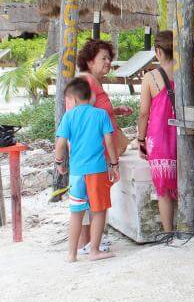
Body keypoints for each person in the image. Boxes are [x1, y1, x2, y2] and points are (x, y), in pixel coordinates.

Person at [68, 39, 129, 252]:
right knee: (95, 200)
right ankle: (91, 245)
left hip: (90, 153)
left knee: (87, 200)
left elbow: (91, 113)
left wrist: (116, 111)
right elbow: (76, 117)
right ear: (89, 61)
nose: (108, 62)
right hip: (93, 153)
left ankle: (88, 243)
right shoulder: (87, 81)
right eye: (103, 58)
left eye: (109, 58)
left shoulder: (91, 81)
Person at [56, 77, 120, 262]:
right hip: (97, 172)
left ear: (74, 99)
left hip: (76, 173)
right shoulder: (101, 115)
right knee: (98, 211)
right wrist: (114, 165)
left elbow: (60, 144)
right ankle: (94, 250)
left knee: (76, 213)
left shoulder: (69, 116)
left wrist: (60, 162)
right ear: (90, 96)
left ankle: (71, 254)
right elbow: (109, 141)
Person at [136, 31, 180, 232]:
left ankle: (169, 232)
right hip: (183, 138)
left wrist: (140, 139)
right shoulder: (187, 74)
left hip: (159, 139)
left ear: (159, 52)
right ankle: (188, 225)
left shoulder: (150, 78)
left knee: (163, 190)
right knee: (184, 181)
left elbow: (144, 113)